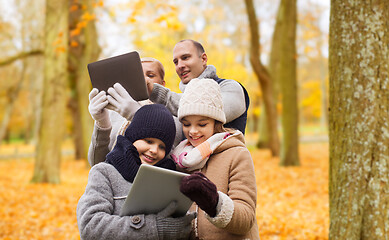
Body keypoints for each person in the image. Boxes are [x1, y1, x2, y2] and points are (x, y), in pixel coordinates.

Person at [77, 104, 196, 240]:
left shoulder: (169, 179)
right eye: (149, 141)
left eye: (162, 146)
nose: (154, 150)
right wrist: (154, 227)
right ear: (133, 137)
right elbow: (90, 226)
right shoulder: (104, 173)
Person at [170, 78, 260, 239]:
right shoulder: (179, 157)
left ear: (216, 122)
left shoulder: (237, 154)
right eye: (187, 124)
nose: (193, 131)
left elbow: (246, 218)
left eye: (202, 124)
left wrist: (215, 202)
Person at [87, 57, 183, 166]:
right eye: (137, 76)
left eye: (150, 75)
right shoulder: (113, 114)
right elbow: (96, 163)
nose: (143, 80)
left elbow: (170, 162)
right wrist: (102, 125)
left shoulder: (172, 118)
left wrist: (138, 116)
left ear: (162, 85)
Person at [147, 39, 250, 134]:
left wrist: (156, 92)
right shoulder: (177, 104)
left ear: (203, 59)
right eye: (176, 62)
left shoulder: (231, 88)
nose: (180, 65)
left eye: (185, 58)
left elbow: (204, 110)